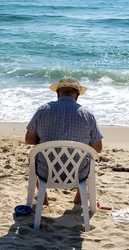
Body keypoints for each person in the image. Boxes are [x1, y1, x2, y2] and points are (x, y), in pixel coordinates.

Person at [25, 77, 103, 205]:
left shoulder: (43, 109)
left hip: (46, 172)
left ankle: (43, 196)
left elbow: (29, 140)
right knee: (88, 156)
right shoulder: (87, 114)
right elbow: (98, 148)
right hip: (78, 174)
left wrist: (46, 140)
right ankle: (79, 196)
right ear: (77, 95)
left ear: (57, 93)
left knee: (35, 155)